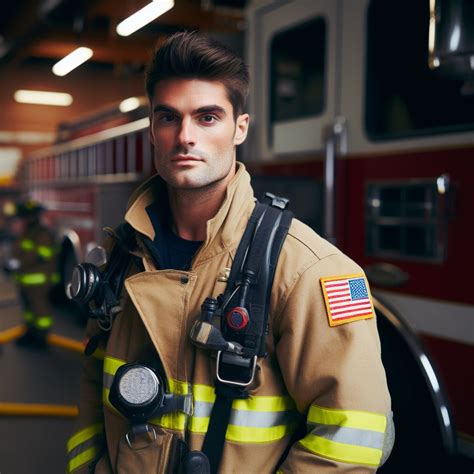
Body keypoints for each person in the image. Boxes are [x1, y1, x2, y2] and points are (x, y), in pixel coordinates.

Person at [67, 31, 394, 473]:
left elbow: (351, 438)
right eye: (168, 117)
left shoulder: (309, 270)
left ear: (239, 128)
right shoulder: (121, 253)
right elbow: (94, 388)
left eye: (207, 118)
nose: (184, 136)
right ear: (152, 130)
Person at [8, 200, 59, 346]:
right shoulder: (27, 232)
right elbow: (18, 250)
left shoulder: (42, 233)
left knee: (40, 310)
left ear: (31, 217)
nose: (21, 220)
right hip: (26, 279)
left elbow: (42, 253)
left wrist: (19, 262)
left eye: (23, 217)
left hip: (39, 281)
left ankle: (41, 337)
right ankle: (30, 332)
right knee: (29, 310)